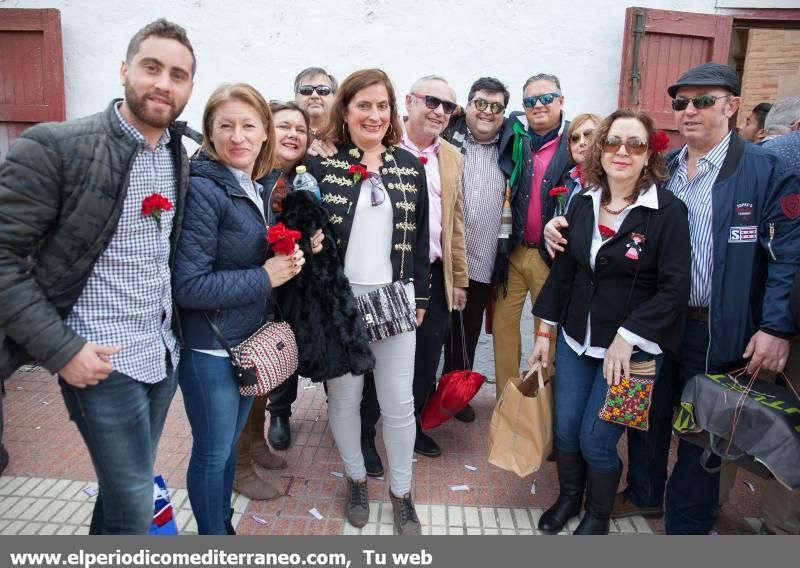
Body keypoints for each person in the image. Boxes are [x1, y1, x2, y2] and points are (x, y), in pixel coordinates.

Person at [544, 62, 800, 534]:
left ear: (732, 106)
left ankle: (686, 525)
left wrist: (775, 325)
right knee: (644, 417)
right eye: (682, 102)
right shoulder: (665, 171)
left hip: (718, 325)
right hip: (652, 321)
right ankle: (644, 493)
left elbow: (787, 254)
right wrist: (556, 221)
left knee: (703, 427)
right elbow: (609, 212)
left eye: (704, 100)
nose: (690, 110)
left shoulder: (765, 169)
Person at [0, 19, 195, 534]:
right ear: (124, 69)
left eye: (178, 75)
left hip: (160, 353)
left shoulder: (179, 153)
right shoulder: (55, 147)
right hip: (99, 361)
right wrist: (61, 350)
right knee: (134, 501)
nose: (163, 84)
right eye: (152, 68)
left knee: (120, 489)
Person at [529, 109, 690, 535]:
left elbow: (675, 290)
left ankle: (599, 514)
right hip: (575, 341)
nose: (623, 151)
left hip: (633, 356)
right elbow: (565, 274)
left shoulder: (669, 212)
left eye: (635, 144)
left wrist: (629, 336)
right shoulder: (582, 202)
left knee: (596, 440)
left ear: (648, 154)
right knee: (565, 432)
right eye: (614, 142)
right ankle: (568, 498)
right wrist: (545, 331)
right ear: (599, 150)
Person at [172, 83, 309, 534]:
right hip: (210, 346)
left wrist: (292, 251)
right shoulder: (206, 191)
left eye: (248, 125)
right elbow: (189, 285)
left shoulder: (253, 184)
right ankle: (213, 537)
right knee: (213, 453)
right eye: (225, 126)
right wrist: (265, 276)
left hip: (242, 339)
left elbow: (250, 252)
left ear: (264, 133)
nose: (238, 136)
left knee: (229, 447)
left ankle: (222, 523)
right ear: (209, 135)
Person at [306, 68, 430, 535]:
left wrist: (422, 296)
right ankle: (357, 479)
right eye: (364, 105)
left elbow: (419, 240)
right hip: (340, 301)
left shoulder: (409, 165)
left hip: (394, 299)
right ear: (346, 110)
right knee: (345, 399)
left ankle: (402, 492)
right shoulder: (321, 165)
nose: (374, 115)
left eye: (382, 106)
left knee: (400, 403)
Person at [360, 75, 467, 460]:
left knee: (425, 361)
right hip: (388, 276)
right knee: (380, 362)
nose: (439, 111)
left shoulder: (453, 157)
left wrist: (459, 280)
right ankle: (366, 436)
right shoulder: (380, 147)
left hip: (435, 276)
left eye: (448, 106)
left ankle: (413, 426)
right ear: (409, 102)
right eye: (432, 101)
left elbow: (454, 222)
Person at [233, 101, 312, 501]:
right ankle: (240, 464)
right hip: (244, 292)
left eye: (301, 129)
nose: (293, 135)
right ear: (266, 130)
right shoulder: (253, 176)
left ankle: (258, 443)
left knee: (262, 373)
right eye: (284, 126)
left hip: (276, 294)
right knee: (244, 379)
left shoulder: (295, 179)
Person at [493, 73, 574, 398]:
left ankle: (540, 404)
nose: (538, 105)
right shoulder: (515, 133)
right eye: (530, 101)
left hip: (549, 257)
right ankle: (506, 403)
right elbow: (479, 117)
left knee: (546, 333)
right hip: (513, 252)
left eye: (546, 98)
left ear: (561, 101)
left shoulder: (575, 141)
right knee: (503, 329)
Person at [441, 77, 510, 421]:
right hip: (442, 258)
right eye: (480, 103)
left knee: (465, 334)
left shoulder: (513, 144)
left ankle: (455, 395)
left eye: (496, 107)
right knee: (434, 329)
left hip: (482, 259)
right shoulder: (446, 133)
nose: (487, 112)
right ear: (466, 105)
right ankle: (426, 395)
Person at [563, 113, 603, 206]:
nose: (581, 142)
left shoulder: (613, 181)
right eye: (575, 138)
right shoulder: (569, 179)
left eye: (589, 135)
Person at [293, 66, 338, 137]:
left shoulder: (348, 136)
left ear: (335, 97)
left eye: (322, 90)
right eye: (306, 90)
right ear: (296, 97)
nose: (314, 96)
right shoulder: (283, 136)